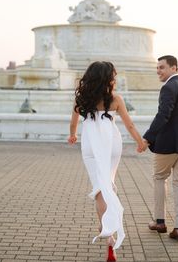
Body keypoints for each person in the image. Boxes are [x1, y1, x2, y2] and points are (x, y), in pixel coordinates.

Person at [68, 61, 144, 261]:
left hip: (91, 144)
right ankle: (105, 226)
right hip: (111, 143)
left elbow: (74, 122)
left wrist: (73, 135)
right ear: (108, 79)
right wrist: (140, 142)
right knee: (107, 183)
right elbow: (129, 124)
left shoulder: (81, 98)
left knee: (100, 187)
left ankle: (108, 233)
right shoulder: (116, 99)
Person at [143, 55, 178, 241]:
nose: (158, 71)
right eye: (157, 68)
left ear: (174, 68)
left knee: (160, 178)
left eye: (162, 67)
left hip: (169, 144)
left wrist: (147, 138)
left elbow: (163, 116)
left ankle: (160, 222)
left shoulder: (168, 87)